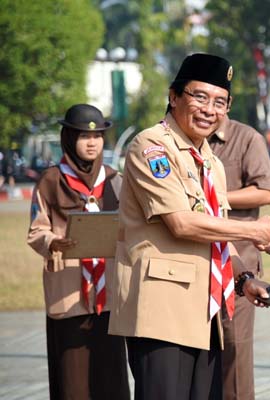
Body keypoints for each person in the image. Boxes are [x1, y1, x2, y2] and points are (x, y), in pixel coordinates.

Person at [107, 53, 270, 400]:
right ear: (174, 97)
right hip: (162, 310)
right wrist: (254, 231)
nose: (209, 110)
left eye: (220, 102)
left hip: (205, 312)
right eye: (199, 97)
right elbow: (182, 223)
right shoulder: (151, 147)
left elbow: (215, 231)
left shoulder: (210, 161)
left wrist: (244, 280)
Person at [27, 104, 130, 400]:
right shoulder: (49, 181)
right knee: (72, 380)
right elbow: (36, 230)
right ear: (69, 138)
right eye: (84, 135)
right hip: (69, 293)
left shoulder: (114, 180)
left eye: (97, 136)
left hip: (109, 296)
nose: (92, 142)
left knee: (111, 376)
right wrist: (52, 243)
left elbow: (129, 226)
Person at [208, 103, 270, 400]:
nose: (207, 108)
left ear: (227, 103)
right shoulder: (182, 142)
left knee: (234, 356)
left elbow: (265, 191)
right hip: (195, 261)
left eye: (216, 100)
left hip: (237, 268)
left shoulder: (246, 138)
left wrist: (216, 198)